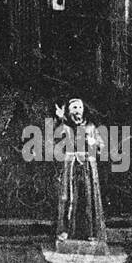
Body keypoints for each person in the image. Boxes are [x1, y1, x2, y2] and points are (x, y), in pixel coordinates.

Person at [53, 98, 107, 251]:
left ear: (84, 110)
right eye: (74, 108)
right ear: (69, 112)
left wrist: (93, 143)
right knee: (68, 197)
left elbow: (102, 147)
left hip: (88, 166)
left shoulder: (91, 127)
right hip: (71, 166)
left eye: (80, 107)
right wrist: (59, 119)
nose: (77, 110)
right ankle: (65, 231)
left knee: (89, 198)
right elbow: (55, 140)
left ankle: (92, 232)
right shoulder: (65, 126)